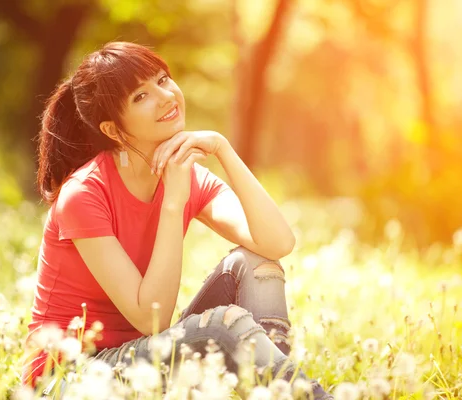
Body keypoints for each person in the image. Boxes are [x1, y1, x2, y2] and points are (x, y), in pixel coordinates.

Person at [23, 40, 333, 399]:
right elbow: (150, 320)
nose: (166, 96)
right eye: (141, 96)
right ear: (112, 129)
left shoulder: (188, 174)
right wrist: (173, 202)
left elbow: (277, 243)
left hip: (142, 360)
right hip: (70, 376)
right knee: (223, 331)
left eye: (163, 79)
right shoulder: (83, 194)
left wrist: (222, 148)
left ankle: (275, 391)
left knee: (253, 262)